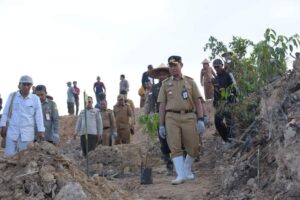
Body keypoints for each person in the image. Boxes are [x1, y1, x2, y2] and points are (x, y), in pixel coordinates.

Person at [157, 56, 205, 185]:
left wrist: (201, 119)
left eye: (175, 65)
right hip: (171, 117)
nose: (173, 68)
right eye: (171, 66)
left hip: (189, 116)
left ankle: (187, 167)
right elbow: (162, 105)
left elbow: (198, 101)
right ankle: (180, 175)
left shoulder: (190, 82)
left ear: (181, 65)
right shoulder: (165, 84)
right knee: (175, 146)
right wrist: (161, 125)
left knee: (194, 147)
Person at [0, 75, 45, 157]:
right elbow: (5, 112)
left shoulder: (35, 99)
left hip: (27, 135)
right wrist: (2, 125)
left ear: (31, 86)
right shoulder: (12, 96)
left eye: (28, 85)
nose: (26, 87)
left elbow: (39, 116)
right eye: (24, 84)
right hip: (12, 133)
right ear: (19, 85)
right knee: (9, 157)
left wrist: (41, 130)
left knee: (23, 160)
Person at [147, 65, 174, 175]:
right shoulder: (154, 88)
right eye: (160, 75)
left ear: (168, 75)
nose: (162, 76)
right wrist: (151, 113)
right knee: (163, 142)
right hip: (160, 116)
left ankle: (181, 164)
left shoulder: (172, 85)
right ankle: (169, 166)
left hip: (173, 115)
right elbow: (151, 102)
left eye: (164, 74)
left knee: (175, 139)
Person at [212, 58, 237, 145]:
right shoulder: (215, 79)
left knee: (229, 121)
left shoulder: (228, 75)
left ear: (222, 65)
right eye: (215, 67)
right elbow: (215, 92)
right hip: (220, 104)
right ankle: (227, 139)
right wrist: (215, 103)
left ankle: (232, 140)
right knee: (217, 122)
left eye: (218, 66)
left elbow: (235, 89)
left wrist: (230, 97)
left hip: (229, 101)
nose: (216, 69)